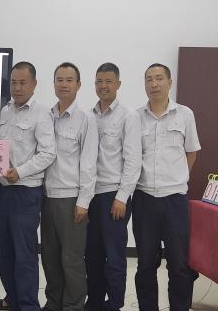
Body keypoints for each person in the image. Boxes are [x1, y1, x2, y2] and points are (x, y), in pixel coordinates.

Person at [133, 63, 200, 311]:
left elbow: (191, 152)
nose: (154, 84)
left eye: (159, 78)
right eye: (149, 79)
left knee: (179, 264)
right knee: (145, 264)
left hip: (175, 201)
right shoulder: (135, 117)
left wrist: (177, 178)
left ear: (170, 82)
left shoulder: (185, 114)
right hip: (144, 199)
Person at [0, 62, 56, 311]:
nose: (16, 88)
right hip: (4, 189)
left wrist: (21, 171)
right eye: (14, 83)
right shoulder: (5, 111)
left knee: (24, 252)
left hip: (27, 191)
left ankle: (28, 305)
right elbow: (1, 148)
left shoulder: (42, 114)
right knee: (3, 249)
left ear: (34, 84)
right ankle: (13, 299)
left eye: (22, 83)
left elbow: (48, 153)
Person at [85, 63, 142, 311]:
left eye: (108, 81)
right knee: (92, 254)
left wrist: (122, 196)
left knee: (114, 255)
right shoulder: (89, 116)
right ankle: (94, 302)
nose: (103, 86)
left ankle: (115, 303)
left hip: (113, 196)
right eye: (99, 81)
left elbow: (133, 160)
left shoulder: (128, 116)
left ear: (118, 84)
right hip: (91, 195)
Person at [41, 62, 98, 311]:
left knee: (71, 259)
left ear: (78, 85)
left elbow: (89, 162)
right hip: (47, 196)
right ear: (53, 83)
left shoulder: (86, 118)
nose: (63, 84)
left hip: (71, 198)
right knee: (50, 257)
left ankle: (73, 306)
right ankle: (53, 303)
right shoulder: (46, 116)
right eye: (59, 80)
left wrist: (84, 202)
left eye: (69, 80)